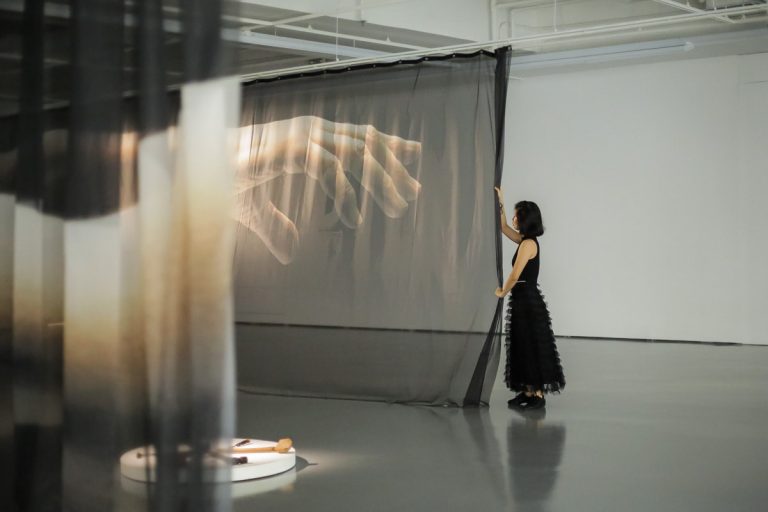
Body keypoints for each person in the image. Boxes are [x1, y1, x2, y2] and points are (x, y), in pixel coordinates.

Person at [494, 187, 565, 409]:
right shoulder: (525, 240)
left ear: (526, 219)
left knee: (531, 345)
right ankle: (527, 391)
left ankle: (538, 396)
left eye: (517, 215)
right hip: (522, 299)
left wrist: (502, 291)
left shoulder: (528, 244)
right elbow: (503, 227)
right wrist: (501, 202)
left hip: (528, 301)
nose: (514, 219)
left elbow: (515, 274)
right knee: (522, 344)